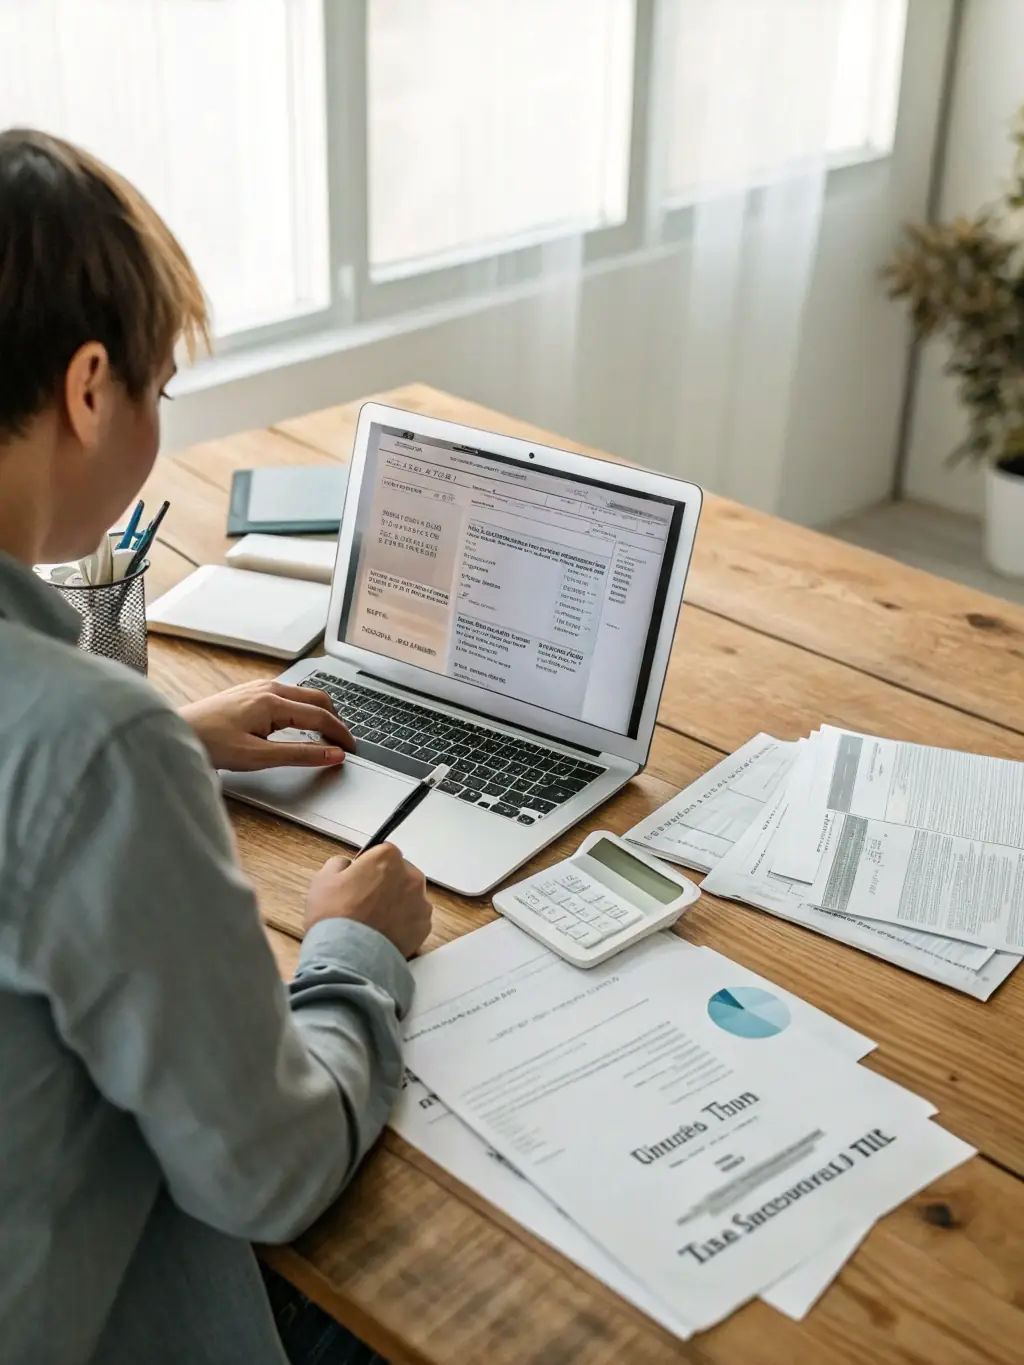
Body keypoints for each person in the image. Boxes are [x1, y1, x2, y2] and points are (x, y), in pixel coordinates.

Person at [0, 128, 432, 1365]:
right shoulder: (86, 744)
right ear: (90, 388)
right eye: (158, 389)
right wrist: (355, 946)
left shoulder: (87, 747)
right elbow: (268, 1174)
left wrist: (166, 743)